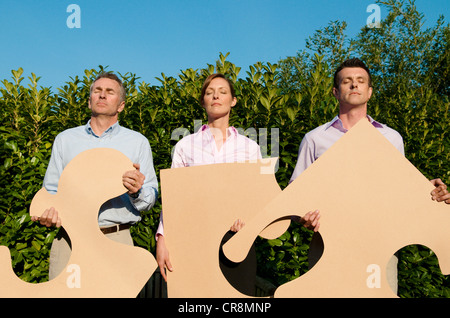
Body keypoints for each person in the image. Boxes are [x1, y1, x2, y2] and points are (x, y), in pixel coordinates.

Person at [289, 57, 450, 293]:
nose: (354, 85)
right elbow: (295, 196)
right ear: (335, 91)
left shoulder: (392, 138)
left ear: (369, 91)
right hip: (327, 248)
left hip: (380, 249)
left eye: (360, 81)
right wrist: (303, 216)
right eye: (347, 81)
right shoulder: (315, 139)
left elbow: (400, 195)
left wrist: (428, 192)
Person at [32, 72, 159, 280]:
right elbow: (51, 191)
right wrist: (48, 213)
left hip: (117, 239)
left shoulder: (138, 142)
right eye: (97, 91)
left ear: (121, 105)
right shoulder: (65, 140)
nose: (102, 95)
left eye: (110, 92)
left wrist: (137, 191)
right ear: (89, 100)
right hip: (70, 240)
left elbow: (150, 198)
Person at [155, 73, 262, 295]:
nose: (216, 96)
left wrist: (247, 220)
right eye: (209, 92)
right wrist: (162, 239)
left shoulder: (250, 148)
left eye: (223, 92)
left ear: (233, 101)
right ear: (203, 100)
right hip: (192, 238)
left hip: (237, 238)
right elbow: (174, 198)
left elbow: (257, 195)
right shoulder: (185, 146)